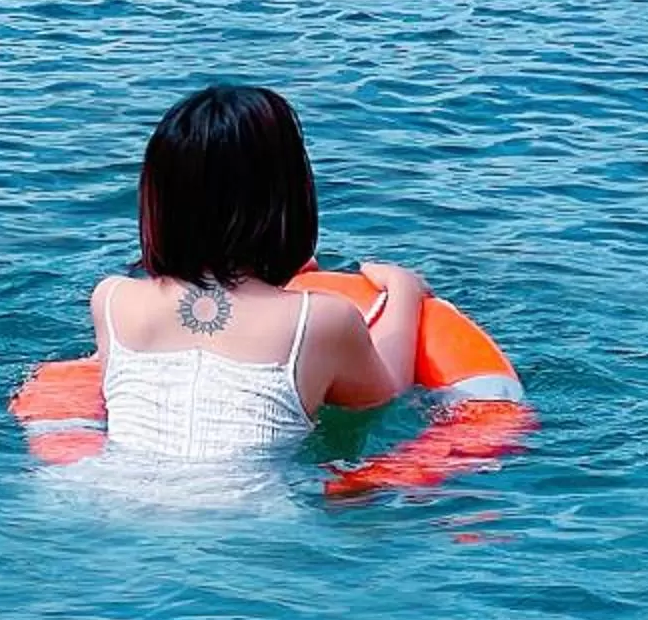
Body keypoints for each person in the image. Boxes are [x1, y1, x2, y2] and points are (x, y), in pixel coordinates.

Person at [90, 83, 425, 464]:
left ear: (157, 201)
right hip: (251, 512)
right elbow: (386, 395)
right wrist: (403, 290)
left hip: (106, 495)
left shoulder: (111, 300)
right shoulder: (322, 320)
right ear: (289, 198)